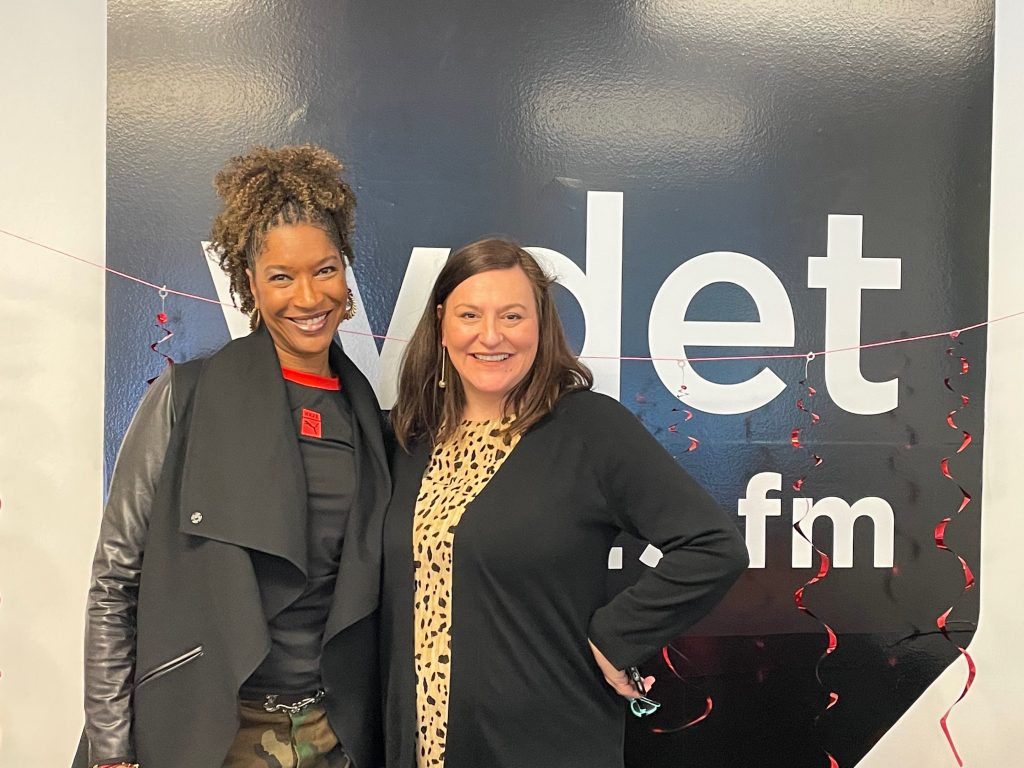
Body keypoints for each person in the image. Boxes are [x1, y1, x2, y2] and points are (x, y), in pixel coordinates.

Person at [382, 238, 749, 768]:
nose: (491, 336)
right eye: (469, 314)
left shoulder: (587, 428)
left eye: (512, 315)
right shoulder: (409, 438)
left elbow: (714, 547)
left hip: (543, 742)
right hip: (422, 745)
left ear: (540, 325)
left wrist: (616, 637)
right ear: (442, 323)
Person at [78, 145, 389, 768]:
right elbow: (116, 582)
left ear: (345, 273)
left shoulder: (370, 420)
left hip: (335, 737)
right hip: (207, 733)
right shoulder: (183, 399)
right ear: (250, 284)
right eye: (281, 276)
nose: (308, 296)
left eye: (325, 270)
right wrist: (112, 749)